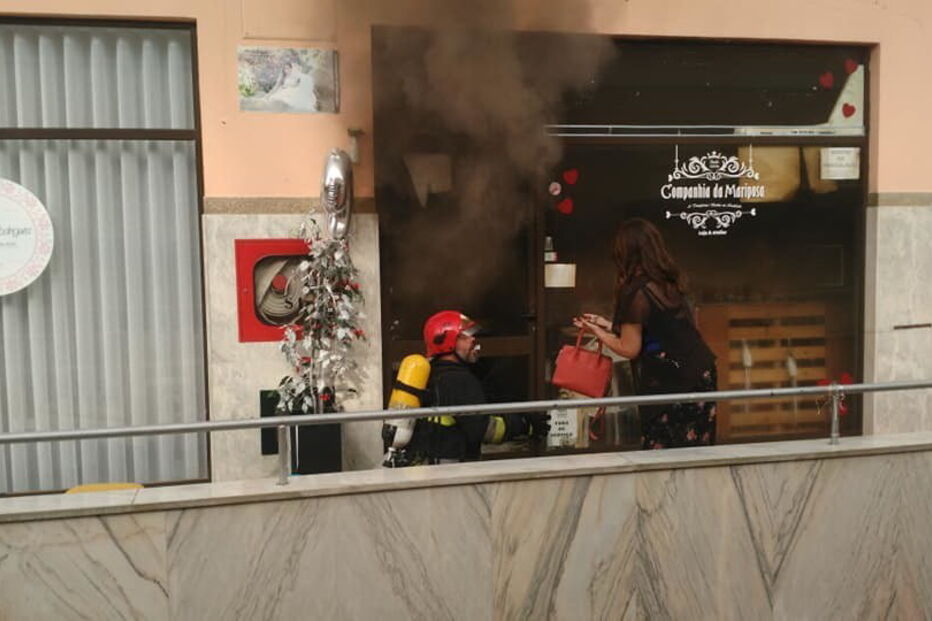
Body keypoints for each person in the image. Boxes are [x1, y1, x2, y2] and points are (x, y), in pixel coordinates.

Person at [574, 218, 717, 449]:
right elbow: (656, 329)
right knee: (695, 454)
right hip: (700, 374)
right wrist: (605, 324)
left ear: (626, 254)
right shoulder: (667, 283)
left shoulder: (636, 292)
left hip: (672, 382)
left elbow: (630, 348)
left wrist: (597, 332)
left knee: (663, 453)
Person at [409, 310, 490, 463]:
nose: (473, 340)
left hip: (427, 465)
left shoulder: (430, 373)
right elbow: (481, 429)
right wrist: (523, 424)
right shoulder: (459, 380)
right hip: (452, 471)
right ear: (447, 342)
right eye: (464, 336)